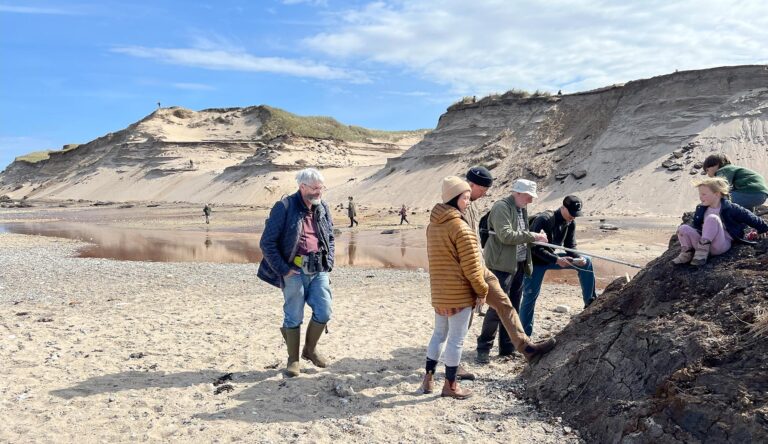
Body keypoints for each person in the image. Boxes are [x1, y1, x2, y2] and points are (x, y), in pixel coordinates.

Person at [462, 168, 556, 369]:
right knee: (497, 308)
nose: (531, 201)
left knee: (513, 306)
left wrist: (531, 237)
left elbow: (519, 233)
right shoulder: (501, 207)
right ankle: (483, 348)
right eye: (529, 197)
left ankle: (507, 348)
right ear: (518, 193)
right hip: (500, 266)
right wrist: (534, 236)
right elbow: (506, 235)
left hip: (517, 264)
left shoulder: (521, 207)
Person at [257, 168, 335, 377]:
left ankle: (310, 350)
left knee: (324, 310)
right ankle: (293, 360)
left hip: (319, 269)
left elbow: (330, 236)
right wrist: (283, 269)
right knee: (294, 315)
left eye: (321, 188)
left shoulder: (322, 207)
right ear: (302, 187)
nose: (319, 192)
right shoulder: (284, 207)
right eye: (315, 188)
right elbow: (267, 243)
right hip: (294, 271)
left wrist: (329, 261)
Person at [420, 177, 487, 399]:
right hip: (459, 293)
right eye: (466, 198)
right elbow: (472, 268)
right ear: (455, 198)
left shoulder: (433, 226)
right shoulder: (461, 227)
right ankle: (450, 386)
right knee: (456, 340)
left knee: (438, 335)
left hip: (439, 292)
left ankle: (428, 379)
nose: (468, 202)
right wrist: (482, 291)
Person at [520, 195, 597, 336]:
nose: (573, 217)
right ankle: (525, 335)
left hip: (552, 259)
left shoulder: (570, 222)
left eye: (576, 214)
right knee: (530, 297)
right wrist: (556, 259)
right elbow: (533, 248)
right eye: (571, 213)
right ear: (563, 207)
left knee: (587, 261)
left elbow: (570, 247)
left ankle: (590, 303)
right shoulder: (544, 219)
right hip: (534, 262)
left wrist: (577, 258)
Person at [672, 177, 768, 266]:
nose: (701, 197)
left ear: (717, 194)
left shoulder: (731, 208)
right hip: (702, 246)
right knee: (683, 228)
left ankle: (701, 255)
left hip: (719, 245)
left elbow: (750, 217)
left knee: (712, 218)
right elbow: (696, 226)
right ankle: (687, 253)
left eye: (704, 194)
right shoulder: (701, 208)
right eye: (700, 194)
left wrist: (763, 228)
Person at [703, 154, 768, 210]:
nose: (708, 174)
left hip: (750, 192)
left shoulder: (722, 170)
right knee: (744, 210)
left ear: (716, 165)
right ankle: (748, 220)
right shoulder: (732, 169)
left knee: (719, 201)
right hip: (762, 194)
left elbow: (720, 185)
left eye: (707, 170)